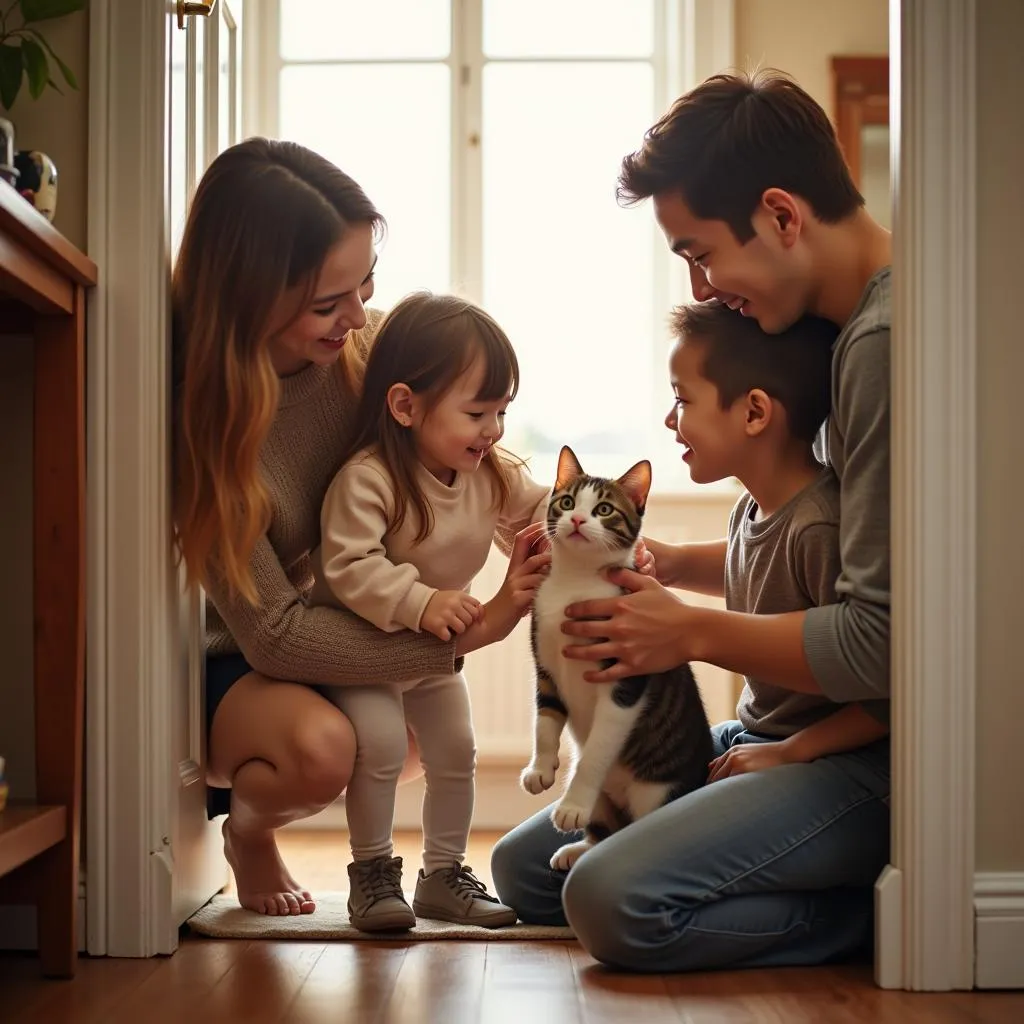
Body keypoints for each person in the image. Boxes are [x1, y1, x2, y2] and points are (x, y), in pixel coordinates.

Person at [492, 69, 892, 972]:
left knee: (605, 898)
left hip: (850, 759)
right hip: (761, 735)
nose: (707, 290)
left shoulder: (881, 346)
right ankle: (734, 869)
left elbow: (880, 640)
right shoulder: (824, 335)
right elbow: (789, 557)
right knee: (526, 869)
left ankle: (864, 919)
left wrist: (691, 634)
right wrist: (676, 567)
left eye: (699, 254)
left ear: (782, 216)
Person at [172, 138, 548, 917]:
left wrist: (565, 546)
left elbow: (472, 463)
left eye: (365, 282)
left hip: (326, 629)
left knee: (419, 742)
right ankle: (249, 832)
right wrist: (451, 637)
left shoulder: (367, 354)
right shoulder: (210, 427)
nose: (358, 314)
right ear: (249, 299)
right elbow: (271, 632)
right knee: (334, 749)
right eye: (326, 302)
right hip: (232, 656)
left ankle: (440, 874)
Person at [307, 292, 549, 931]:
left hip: (434, 653)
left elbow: (536, 510)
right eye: (477, 412)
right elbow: (349, 566)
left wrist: (574, 542)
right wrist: (422, 601)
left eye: (502, 411)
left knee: (457, 748)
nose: (492, 430)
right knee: (382, 746)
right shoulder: (369, 478)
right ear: (406, 406)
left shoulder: (485, 471)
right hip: (364, 651)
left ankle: (442, 876)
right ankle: (372, 874)